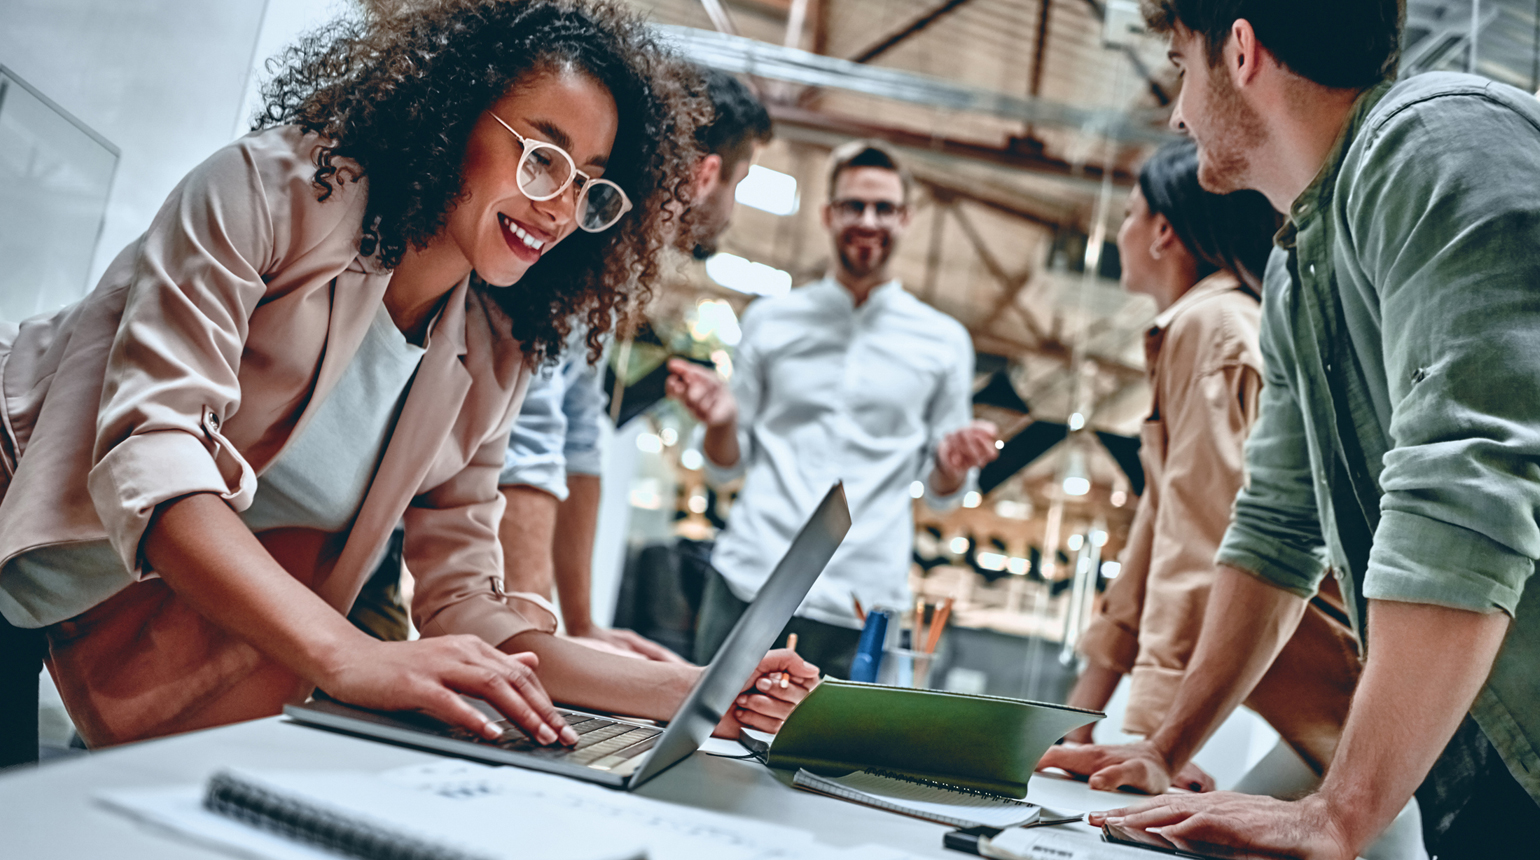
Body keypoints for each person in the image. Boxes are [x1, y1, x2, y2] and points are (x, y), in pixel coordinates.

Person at [0, 0, 813, 769]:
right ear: (452, 114)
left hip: (115, 612)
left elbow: (465, 604)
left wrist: (701, 692)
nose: (560, 207)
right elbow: (155, 457)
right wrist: (349, 656)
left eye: (589, 185)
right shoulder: (268, 192)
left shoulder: (495, 350)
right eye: (541, 156)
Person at [1041, 2, 1540, 858]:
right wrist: (1165, 749)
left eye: (1178, 68)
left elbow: (1469, 483)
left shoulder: (1437, 143)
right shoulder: (1295, 268)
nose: (1178, 112)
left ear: (1239, 52)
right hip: (1480, 752)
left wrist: (1337, 811)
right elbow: (1275, 527)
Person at [1053, 141, 1423, 858]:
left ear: (1163, 230)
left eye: (1129, 214)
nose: (1122, 231)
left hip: (1342, 691)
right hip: (1323, 698)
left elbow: (1204, 540)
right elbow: (1150, 550)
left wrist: (1154, 740)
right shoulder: (1195, 329)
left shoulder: (1210, 327)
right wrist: (1075, 719)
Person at [667, 140, 1000, 679]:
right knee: (706, 744)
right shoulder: (771, 320)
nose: (868, 220)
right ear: (827, 214)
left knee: (831, 762)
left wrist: (953, 464)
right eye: (853, 205)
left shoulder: (945, 342)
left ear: (906, 218)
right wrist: (723, 422)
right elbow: (726, 464)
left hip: (863, 600)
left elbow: (944, 496)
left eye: (884, 208)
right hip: (752, 579)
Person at [490, 67, 773, 662]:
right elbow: (533, 434)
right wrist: (539, 645)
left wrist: (582, 623)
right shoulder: (582, 233)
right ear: (707, 174)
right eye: (740, 183)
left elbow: (579, 432)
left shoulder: (616, 262)